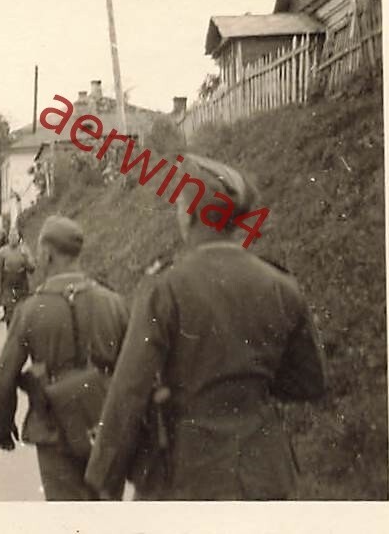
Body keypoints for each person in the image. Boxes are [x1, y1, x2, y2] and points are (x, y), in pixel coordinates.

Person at [85, 155, 328, 500]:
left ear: (190, 214)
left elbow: (129, 390)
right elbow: (309, 383)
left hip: (189, 474)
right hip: (265, 471)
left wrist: (104, 477)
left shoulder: (166, 288)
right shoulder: (281, 284)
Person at [0, 215, 129, 500]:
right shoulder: (113, 303)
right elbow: (134, 370)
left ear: (47, 254)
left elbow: (5, 376)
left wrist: (2, 425)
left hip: (54, 430)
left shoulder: (31, 310)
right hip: (105, 427)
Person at [0, 228, 36, 326]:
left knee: (22, 309)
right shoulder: (3, 251)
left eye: (15, 236)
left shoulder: (24, 250)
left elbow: (32, 268)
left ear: (18, 238)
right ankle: (10, 332)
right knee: (10, 310)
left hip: (21, 282)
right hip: (8, 283)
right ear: (8, 238)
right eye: (11, 236)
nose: (13, 239)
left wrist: (26, 259)